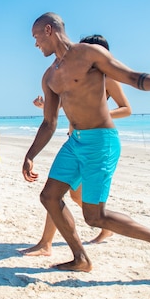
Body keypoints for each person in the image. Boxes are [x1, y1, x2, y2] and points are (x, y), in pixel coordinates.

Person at [23, 12, 150, 272]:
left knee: (95, 216)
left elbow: (133, 78)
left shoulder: (89, 54)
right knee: (49, 196)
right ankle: (81, 259)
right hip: (74, 142)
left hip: (101, 141)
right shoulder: (49, 77)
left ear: (49, 30)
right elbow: (49, 122)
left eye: (36, 36)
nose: (35, 43)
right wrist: (31, 155)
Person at [21, 35, 131, 257]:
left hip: (95, 143)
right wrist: (46, 104)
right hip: (75, 141)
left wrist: (99, 115)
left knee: (60, 196)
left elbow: (126, 108)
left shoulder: (107, 76)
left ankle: (46, 243)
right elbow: (67, 105)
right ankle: (105, 227)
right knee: (70, 196)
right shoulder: (75, 75)